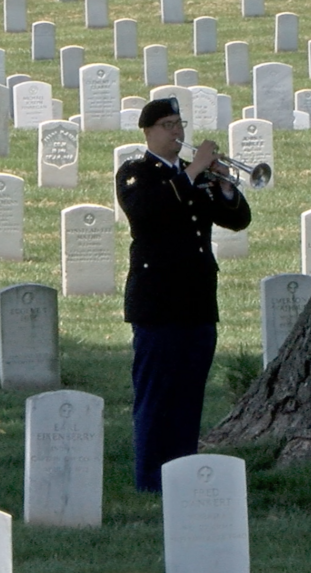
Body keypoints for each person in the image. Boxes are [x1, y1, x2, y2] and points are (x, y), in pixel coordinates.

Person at [115, 97, 252, 492]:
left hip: (198, 300)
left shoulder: (195, 177)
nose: (177, 132)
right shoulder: (136, 173)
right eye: (168, 125)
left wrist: (224, 184)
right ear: (148, 132)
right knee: (156, 395)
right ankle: (150, 479)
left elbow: (237, 220)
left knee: (190, 395)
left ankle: (182, 473)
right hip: (157, 303)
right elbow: (147, 212)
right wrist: (193, 170)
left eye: (180, 124)